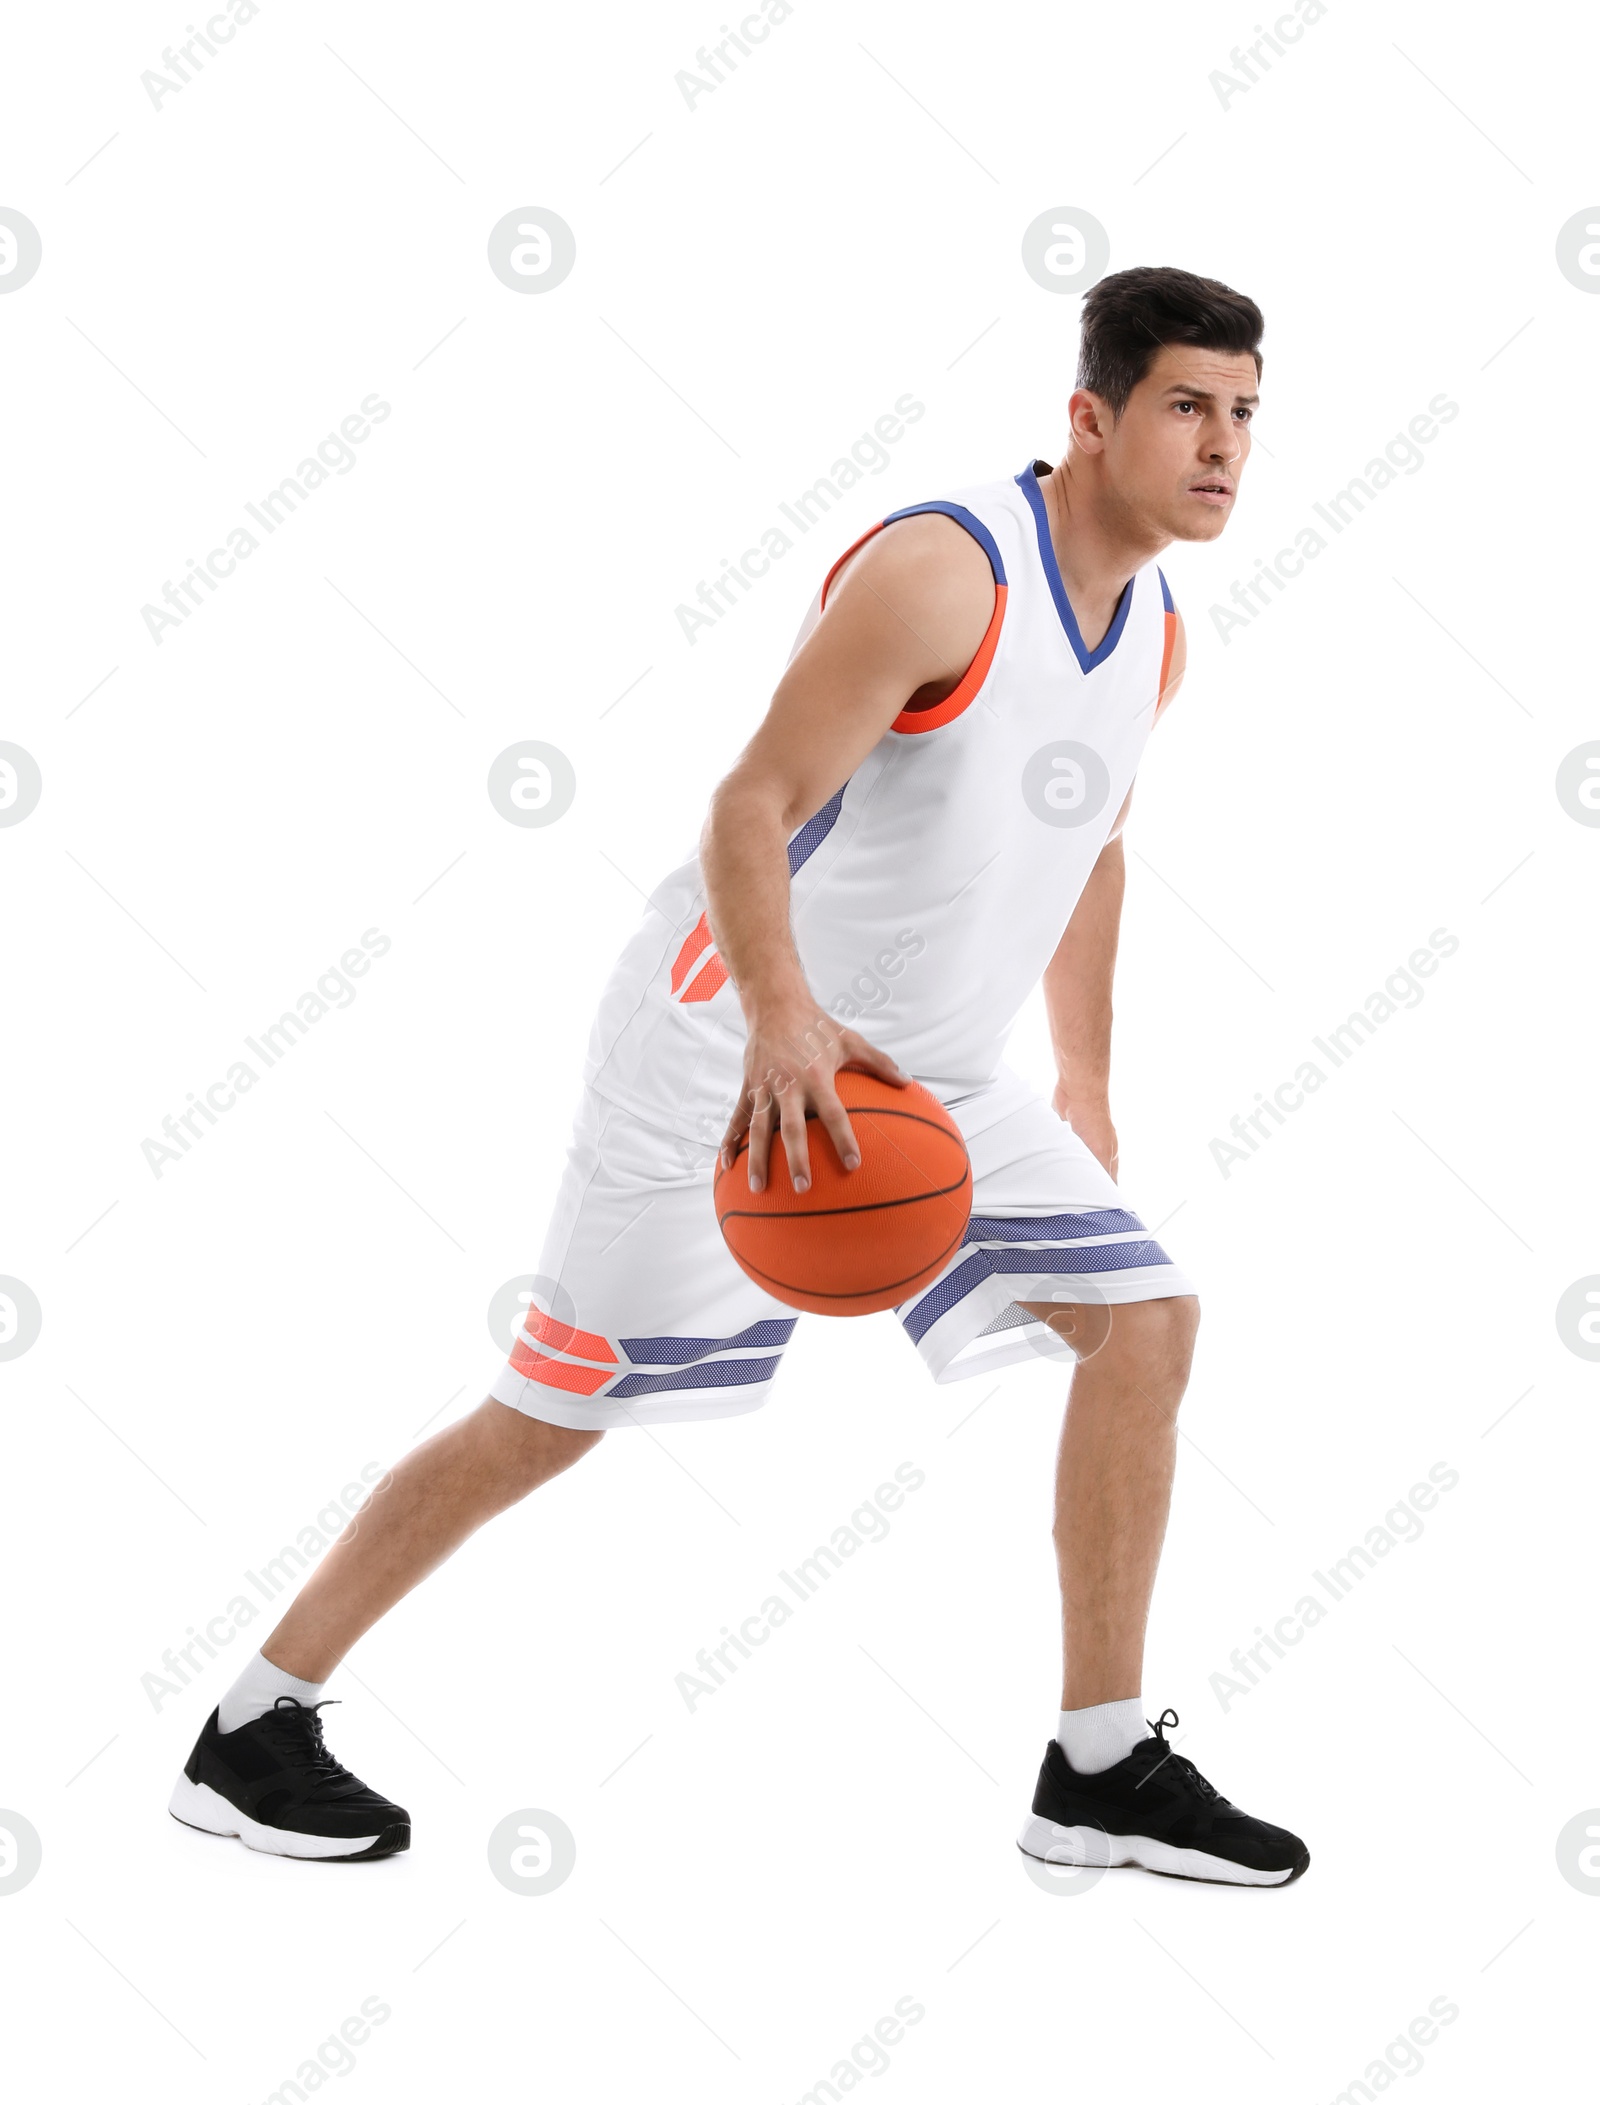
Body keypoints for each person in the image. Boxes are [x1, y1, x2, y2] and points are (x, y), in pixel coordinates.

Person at [170, 263, 1308, 1886]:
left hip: (924, 1074)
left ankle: (1100, 1763)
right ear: (1091, 414)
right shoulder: (944, 574)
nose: (1226, 446)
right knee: (549, 1415)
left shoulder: (1157, 637)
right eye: (1190, 405)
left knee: (1150, 1321)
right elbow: (749, 802)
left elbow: (1094, 844)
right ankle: (251, 1727)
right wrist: (780, 1015)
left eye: (1248, 413)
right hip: (724, 1047)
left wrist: (1085, 1076)